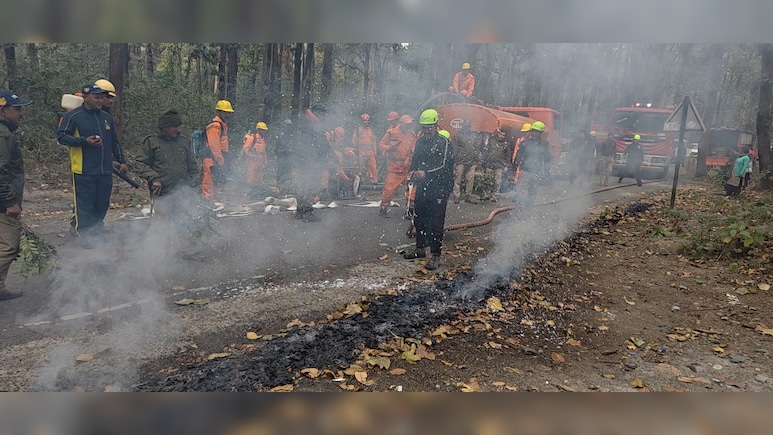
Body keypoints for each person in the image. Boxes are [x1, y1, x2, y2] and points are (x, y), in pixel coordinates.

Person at [57, 83, 128, 246]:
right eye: (97, 97)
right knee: (85, 204)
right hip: (83, 169)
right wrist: (84, 141)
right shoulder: (74, 116)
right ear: (85, 97)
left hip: (105, 169)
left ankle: (96, 231)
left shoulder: (106, 117)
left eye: (102, 97)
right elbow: (62, 137)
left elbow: (114, 141)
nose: (100, 100)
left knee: (102, 202)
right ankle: (84, 235)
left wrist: (122, 161)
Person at [403, 109, 455, 271]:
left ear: (436, 125)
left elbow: (443, 164)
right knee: (419, 216)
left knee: (435, 221)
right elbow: (416, 159)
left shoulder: (443, 143)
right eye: (424, 127)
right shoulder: (420, 141)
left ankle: (436, 254)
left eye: (429, 127)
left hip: (440, 186)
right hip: (423, 185)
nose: (426, 130)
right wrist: (413, 170)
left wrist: (426, 172)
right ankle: (420, 248)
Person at [0, 90, 31, 300]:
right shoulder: (3, 134)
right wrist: (10, 201)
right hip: (3, 201)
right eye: (17, 108)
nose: (21, 113)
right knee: (10, 246)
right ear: (3, 110)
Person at [294, 106, 334, 222]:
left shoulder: (307, 125)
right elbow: (322, 144)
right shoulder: (315, 127)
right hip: (311, 161)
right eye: (323, 114)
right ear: (318, 114)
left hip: (304, 160)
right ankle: (307, 212)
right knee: (310, 185)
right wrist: (333, 156)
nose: (325, 117)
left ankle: (299, 211)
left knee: (303, 184)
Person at [378, 114, 416, 217]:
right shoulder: (391, 132)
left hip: (407, 169)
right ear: (401, 123)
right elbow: (381, 144)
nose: (408, 126)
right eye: (407, 124)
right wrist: (389, 148)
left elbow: (413, 150)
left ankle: (410, 210)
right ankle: (383, 209)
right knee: (389, 190)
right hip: (394, 168)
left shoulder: (411, 134)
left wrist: (408, 159)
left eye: (410, 124)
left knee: (411, 191)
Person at [512, 121, 551, 206]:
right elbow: (518, 157)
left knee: (532, 195)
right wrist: (513, 170)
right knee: (520, 193)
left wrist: (547, 174)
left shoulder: (545, 145)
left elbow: (547, 160)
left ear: (540, 133)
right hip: (524, 172)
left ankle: (528, 210)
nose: (534, 133)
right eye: (533, 131)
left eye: (537, 132)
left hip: (536, 174)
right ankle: (519, 209)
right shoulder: (524, 143)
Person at [201, 100, 234, 200]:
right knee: (209, 182)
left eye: (228, 112)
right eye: (225, 112)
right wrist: (219, 160)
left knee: (217, 181)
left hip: (217, 158)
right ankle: (207, 202)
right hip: (211, 158)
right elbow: (214, 145)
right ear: (218, 112)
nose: (227, 115)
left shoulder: (222, 125)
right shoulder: (215, 125)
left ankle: (214, 202)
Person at [450, 119, 481, 204]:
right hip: (460, 162)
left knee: (470, 180)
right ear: (463, 126)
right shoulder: (458, 135)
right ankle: (456, 196)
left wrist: (477, 159)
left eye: (468, 126)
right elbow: (454, 149)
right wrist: (454, 161)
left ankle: (468, 196)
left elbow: (475, 149)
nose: (467, 127)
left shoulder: (473, 136)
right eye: (466, 126)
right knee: (458, 180)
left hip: (470, 162)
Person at [481, 127, 511, 202]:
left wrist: (506, 166)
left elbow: (508, 156)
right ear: (498, 134)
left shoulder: (506, 144)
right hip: (490, 164)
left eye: (503, 135)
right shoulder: (491, 141)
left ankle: (495, 196)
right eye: (501, 134)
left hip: (500, 166)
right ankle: (486, 195)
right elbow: (486, 151)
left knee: (497, 182)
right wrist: (483, 161)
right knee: (488, 180)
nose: (502, 136)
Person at [242, 121, 269, 196]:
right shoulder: (252, 138)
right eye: (262, 130)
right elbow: (246, 149)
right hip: (252, 162)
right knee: (250, 178)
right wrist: (253, 156)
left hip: (260, 163)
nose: (264, 132)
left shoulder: (263, 140)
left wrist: (265, 162)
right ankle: (248, 193)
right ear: (258, 130)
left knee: (258, 179)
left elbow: (263, 152)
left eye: (264, 130)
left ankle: (255, 194)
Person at [352, 113, 378, 183]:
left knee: (373, 167)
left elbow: (374, 142)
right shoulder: (358, 130)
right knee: (360, 169)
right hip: (361, 152)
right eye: (364, 121)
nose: (366, 122)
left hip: (370, 152)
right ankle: (360, 182)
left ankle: (373, 181)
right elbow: (354, 142)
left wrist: (375, 152)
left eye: (367, 121)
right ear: (361, 121)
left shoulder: (371, 130)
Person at [273, 119, 295, 195]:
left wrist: (293, 153)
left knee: (288, 171)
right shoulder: (280, 134)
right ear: (284, 125)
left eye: (290, 125)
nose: (289, 126)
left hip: (289, 155)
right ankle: (278, 186)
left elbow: (294, 145)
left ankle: (286, 186)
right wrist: (275, 154)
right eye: (287, 125)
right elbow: (277, 144)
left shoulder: (292, 135)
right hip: (281, 155)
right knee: (280, 171)